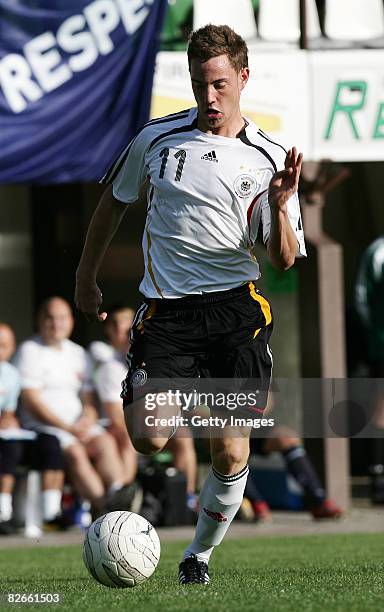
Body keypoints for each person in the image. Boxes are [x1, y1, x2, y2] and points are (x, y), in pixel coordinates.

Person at [75, 24, 306, 584]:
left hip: (236, 314)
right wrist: (86, 274)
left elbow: (283, 258)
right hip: (168, 313)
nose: (209, 97)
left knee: (228, 455)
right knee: (151, 435)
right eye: (200, 84)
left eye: (220, 84)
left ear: (243, 79)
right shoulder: (157, 139)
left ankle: (196, 557)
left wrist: (279, 206)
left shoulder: (270, 157)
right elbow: (112, 202)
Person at [16, 297, 135, 524]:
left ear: (70, 321)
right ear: (39, 321)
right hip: (45, 427)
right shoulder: (29, 350)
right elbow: (32, 402)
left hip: (77, 424)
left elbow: (88, 398)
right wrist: (68, 427)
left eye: (61, 318)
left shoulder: (78, 353)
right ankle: (110, 511)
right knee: (76, 453)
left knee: (105, 443)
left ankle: (118, 493)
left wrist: (88, 418)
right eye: (50, 317)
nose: (56, 323)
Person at [93, 304, 198, 509]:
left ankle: (185, 500)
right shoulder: (110, 367)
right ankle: (124, 501)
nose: (124, 335)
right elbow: (116, 417)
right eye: (117, 328)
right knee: (128, 437)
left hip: (149, 425)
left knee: (184, 435)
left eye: (127, 329)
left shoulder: (152, 361)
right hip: (119, 429)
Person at [245, 434, 344, 521]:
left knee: (287, 438)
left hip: (248, 422)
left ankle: (318, 500)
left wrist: (253, 416)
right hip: (232, 428)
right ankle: (255, 502)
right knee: (234, 451)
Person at [355, 236, 384, 503]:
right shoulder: (378, 251)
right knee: (381, 411)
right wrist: (375, 337)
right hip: (383, 345)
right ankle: (378, 479)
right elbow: (361, 298)